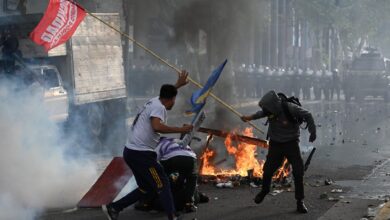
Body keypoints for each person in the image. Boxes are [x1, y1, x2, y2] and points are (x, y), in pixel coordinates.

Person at [102, 71, 193, 220]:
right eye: (174, 99)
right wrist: (181, 129)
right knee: (162, 183)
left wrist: (178, 85)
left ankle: (114, 208)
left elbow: (166, 95)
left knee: (146, 188)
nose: (174, 103)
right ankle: (172, 217)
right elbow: (157, 126)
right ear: (170, 99)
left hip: (131, 152)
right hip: (142, 155)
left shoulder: (155, 101)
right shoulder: (159, 108)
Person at [241, 90, 316, 214]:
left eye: (268, 110)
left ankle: (300, 202)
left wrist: (313, 132)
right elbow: (261, 113)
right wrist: (249, 117)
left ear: (274, 106)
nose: (267, 113)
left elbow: (308, 114)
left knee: (298, 172)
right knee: (268, 170)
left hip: (291, 144)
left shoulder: (290, 108)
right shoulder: (270, 110)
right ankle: (264, 191)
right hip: (275, 144)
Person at [135, 137, 209, 213]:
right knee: (191, 179)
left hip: (172, 159)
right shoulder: (178, 141)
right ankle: (189, 204)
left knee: (160, 180)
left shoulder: (160, 144)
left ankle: (146, 203)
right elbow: (189, 154)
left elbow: (153, 161)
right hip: (190, 158)